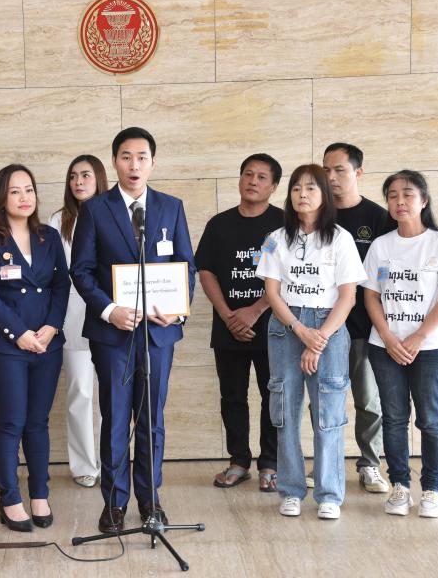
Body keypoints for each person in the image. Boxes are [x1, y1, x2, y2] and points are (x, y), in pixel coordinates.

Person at [71, 127, 196, 533]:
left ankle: (150, 500)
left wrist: (176, 312)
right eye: (126, 157)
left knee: (151, 420)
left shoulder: (171, 207)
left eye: (142, 157)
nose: (134, 165)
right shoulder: (95, 210)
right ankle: (114, 502)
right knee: (115, 418)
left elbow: (186, 266)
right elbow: (81, 270)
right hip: (113, 335)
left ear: (153, 162)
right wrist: (110, 311)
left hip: (158, 334)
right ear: (115, 162)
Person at [255, 164, 365, 520]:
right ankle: (290, 490)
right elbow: (272, 293)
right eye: (296, 188)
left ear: (325, 195)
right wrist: (301, 331)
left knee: (329, 413)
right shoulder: (275, 238)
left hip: (329, 325)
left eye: (311, 188)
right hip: (286, 327)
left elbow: (348, 296)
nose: (302, 194)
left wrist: (319, 339)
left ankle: (329, 493)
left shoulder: (341, 238)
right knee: (284, 411)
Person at [363, 170, 438, 518]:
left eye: (407, 194)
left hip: (431, 349)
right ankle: (400, 486)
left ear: (423, 200)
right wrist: (388, 337)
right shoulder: (381, 246)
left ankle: (433, 490)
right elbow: (371, 296)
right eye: (392, 195)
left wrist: (419, 336)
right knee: (394, 419)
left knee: (431, 420)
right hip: (385, 347)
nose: (400, 201)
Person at [0, 164, 70, 532]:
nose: (24, 197)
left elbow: (62, 285)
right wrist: (19, 333)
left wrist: (51, 326)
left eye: (29, 190)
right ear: (1, 198)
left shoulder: (49, 237)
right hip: (5, 346)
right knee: (10, 421)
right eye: (15, 191)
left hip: (47, 344)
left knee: (37, 422)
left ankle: (39, 493)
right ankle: (10, 497)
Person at [196, 154, 284, 492]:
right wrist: (227, 314)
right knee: (232, 396)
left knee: (272, 396)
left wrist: (256, 310)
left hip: (273, 326)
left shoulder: (284, 224)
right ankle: (239, 461)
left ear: (274, 186)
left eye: (262, 177)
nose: (253, 181)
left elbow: (289, 275)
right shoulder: (219, 224)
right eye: (248, 174)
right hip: (228, 326)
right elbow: (206, 271)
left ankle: (270, 464)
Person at [320, 142, 393, 494]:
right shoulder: (317, 215)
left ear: (358, 173)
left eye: (340, 170)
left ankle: (370, 465)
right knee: (323, 400)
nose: (331, 177)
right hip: (323, 327)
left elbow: (387, 273)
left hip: (365, 327)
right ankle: (324, 466)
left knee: (368, 402)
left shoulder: (378, 218)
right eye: (326, 170)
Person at [48, 155, 108, 488]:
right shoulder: (58, 221)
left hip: (112, 317)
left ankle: (111, 462)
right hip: (73, 318)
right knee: (80, 393)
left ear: (99, 178)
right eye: (73, 176)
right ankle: (85, 465)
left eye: (85, 175)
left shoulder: (116, 214)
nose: (78, 182)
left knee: (112, 397)